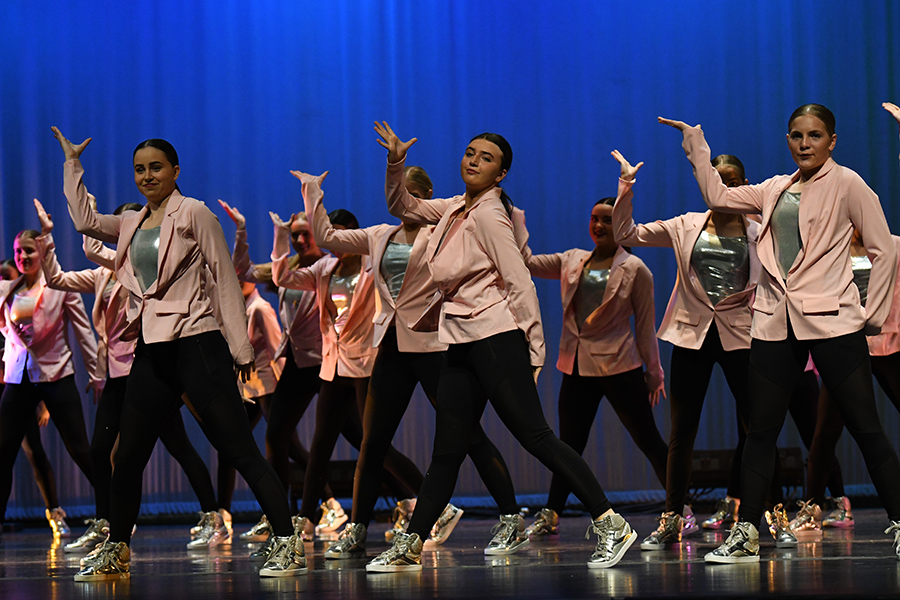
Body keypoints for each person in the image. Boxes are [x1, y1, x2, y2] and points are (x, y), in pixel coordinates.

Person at [366, 122, 637, 572]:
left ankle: (611, 523)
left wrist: (534, 348)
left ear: (501, 174)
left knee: (535, 437)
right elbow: (401, 203)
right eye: (470, 152)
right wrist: (396, 162)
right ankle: (412, 542)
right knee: (447, 449)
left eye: (485, 157)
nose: (473, 160)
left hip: (496, 338)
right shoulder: (454, 208)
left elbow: (519, 280)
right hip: (459, 340)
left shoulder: (491, 213)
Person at [51, 127, 305, 580]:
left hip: (198, 345)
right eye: (139, 170)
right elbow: (86, 222)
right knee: (126, 456)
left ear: (175, 171)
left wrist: (240, 347)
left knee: (238, 449)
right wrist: (73, 165)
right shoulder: (132, 222)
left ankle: (288, 541)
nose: (147, 176)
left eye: (155, 167)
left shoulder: (194, 213)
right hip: (152, 351)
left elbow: (226, 277)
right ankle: (118, 550)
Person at [659, 104, 900, 563]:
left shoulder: (849, 184)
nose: (804, 144)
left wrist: (872, 316)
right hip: (774, 322)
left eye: (814, 135)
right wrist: (696, 143)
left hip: (833, 322)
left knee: (867, 429)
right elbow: (717, 195)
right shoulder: (774, 188)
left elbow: (883, 249)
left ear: (832, 140)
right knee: (761, 433)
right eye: (796, 135)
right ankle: (747, 530)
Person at [293, 167, 519, 559]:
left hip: (434, 347)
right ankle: (358, 530)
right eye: (399, 193)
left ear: (428, 196)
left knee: (468, 435)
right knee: (372, 442)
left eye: (412, 194)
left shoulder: (444, 232)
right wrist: (312, 193)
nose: (405, 201)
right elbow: (328, 237)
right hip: (393, 345)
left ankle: (512, 517)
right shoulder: (381, 235)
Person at [33, 199, 226, 552]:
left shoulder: (142, 267)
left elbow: (97, 250)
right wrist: (49, 236)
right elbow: (57, 278)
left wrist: (85, 203)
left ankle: (213, 517)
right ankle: (107, 523)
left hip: (147, 369)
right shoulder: (105, 273)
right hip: (115, 375)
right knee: (101, 450)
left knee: (178, 446)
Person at [518, 195, 668, 541]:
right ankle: (551, 513)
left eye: (608, 220)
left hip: (619, 365)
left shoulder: (635, 269)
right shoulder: (573, 261)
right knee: (567, 445)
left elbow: (645, 325)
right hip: (577, 367)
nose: (599, 226)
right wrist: (515, 218)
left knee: (648, 439)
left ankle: (679, 508)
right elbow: (525, 263)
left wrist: (654, 371)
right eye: (595, 219)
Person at [270, 205, 423, 541]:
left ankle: (429, 502)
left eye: (339, 233)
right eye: (330, 234)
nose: (333, 241)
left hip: (367, 364)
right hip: (336, 364)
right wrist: (281, 237)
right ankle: (305, 520)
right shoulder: (325, 268)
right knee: (321, 443)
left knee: (374, 445)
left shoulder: (373, 264)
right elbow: (281, 277)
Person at [800, 101, 900, 533]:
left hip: (886, 342)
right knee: (824, 434)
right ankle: (812, 506)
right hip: (843, 344)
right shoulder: (830, 248)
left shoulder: (890, 244)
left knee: (874, 428)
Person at [218, 201, 345, 541]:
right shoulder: (287, 268)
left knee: (358, 436)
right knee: (276, 438)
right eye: (295, 236)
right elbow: (242, 272)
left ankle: (410, 499)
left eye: (306, 234)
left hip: (329, 362)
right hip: (298, 363)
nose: (301, 241)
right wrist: (242, 231)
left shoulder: (333, 266)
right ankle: (284, 518)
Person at [0, 222, 101, 540]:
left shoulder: (60, 287)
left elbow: (84, 332)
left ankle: (114, 513)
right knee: (4, 454)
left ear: (42, 252)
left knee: (80, 450)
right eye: (18, 251)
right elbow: (7, 331)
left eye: (28, 250)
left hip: (55, 375)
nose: (22, 256)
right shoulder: (8, 291)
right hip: (18, 379)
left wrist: (97, 373)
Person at [0, 259, 72, 539]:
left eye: (7, 276)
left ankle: (55, 513)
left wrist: (42, 404)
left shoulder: (23, 307)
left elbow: (32, 355)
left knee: (34, 451)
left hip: (18, 388)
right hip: (9, 389)